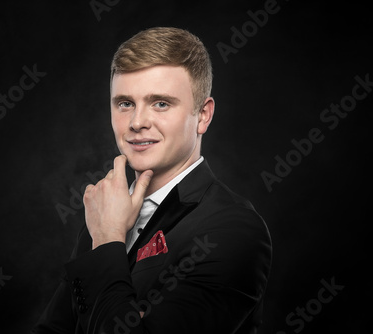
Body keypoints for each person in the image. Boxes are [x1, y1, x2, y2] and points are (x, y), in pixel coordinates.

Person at [32, 27, 272, 334]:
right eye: (125, 103)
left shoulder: (235, 229)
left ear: (203, 115)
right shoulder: (107, 217)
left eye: (160, 103)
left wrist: (107, 241)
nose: (136, 122)